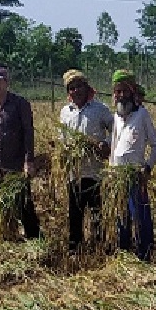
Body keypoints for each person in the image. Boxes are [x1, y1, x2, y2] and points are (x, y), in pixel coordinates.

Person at [0, 64, 40, 239]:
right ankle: (8, 239)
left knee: (24, 206)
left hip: (15, 167)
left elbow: (28, 133)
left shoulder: (20, 104)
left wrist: (29, 161)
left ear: (6, 82)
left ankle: (35, 239)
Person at [109, 69, 156, 260]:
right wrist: (111, 170)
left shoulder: (142, 115)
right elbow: (114, 144)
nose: (121, 95)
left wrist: (147, 167)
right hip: (117, 176)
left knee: (140, 217)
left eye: (125, 91)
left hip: (135, 176)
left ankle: (144, 256)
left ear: (132, 92)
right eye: (118, 91)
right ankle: (124, 255)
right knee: (121, 217)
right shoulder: (116, 116)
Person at [59, 69, 113, 252]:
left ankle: (100, 246)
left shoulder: (100, 109)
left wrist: (105, 144)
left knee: (97, 211)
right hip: (74, 172)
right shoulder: (66, 112)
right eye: (72, 88)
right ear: (68, 91)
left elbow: (117, 130)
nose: (76, 91)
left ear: (86, 87)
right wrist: (63, 150)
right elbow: (62, 137)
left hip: (95, 171)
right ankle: (75, 248)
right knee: (75, 213)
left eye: (79, 86)